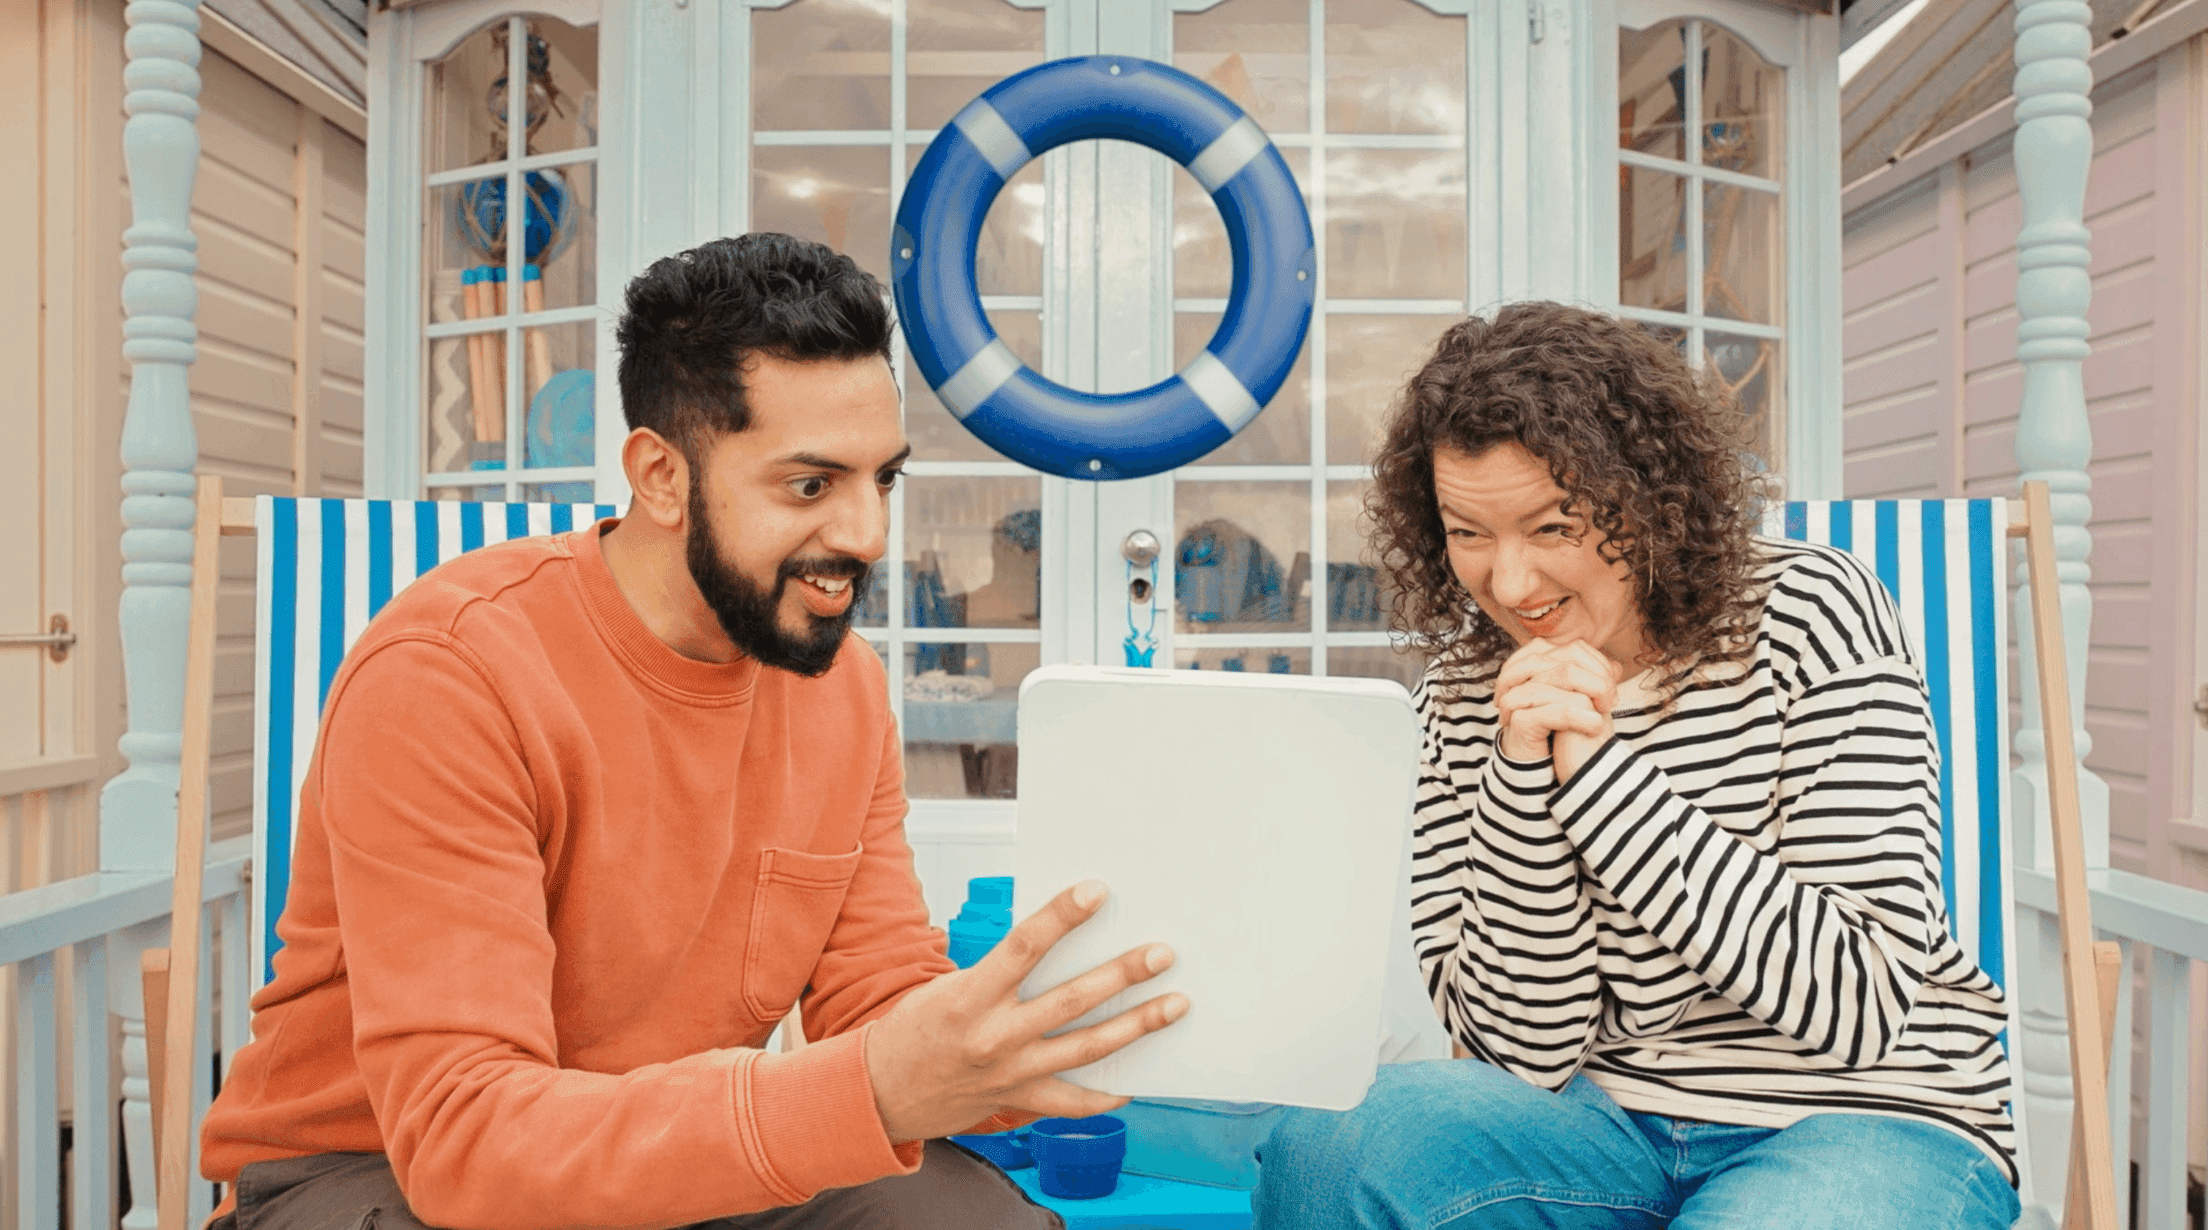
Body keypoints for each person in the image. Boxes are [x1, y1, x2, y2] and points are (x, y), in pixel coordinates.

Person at [198, 233, 1187, 1230]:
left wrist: (1046, 1033)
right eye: (810, 485)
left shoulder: (838, 681)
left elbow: (878, 997)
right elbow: (466, 1139)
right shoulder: (450, 675)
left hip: (673, 1154)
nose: (867, 535)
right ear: (661, 477)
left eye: (881, 479)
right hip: (383, 1174)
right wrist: (872, 1091)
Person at [1252, 302, 2019, 1229]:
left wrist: (1602, 774)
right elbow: (1517, 1056)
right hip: (1603, 1122)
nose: (1510, 585)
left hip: (1867, 1116)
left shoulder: (1812, 612)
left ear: (1648, 497)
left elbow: (1852, 1005)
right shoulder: (1463, 694)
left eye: (1552, 527)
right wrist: (1520, 771)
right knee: (1332, 1153)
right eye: (1468, 533)